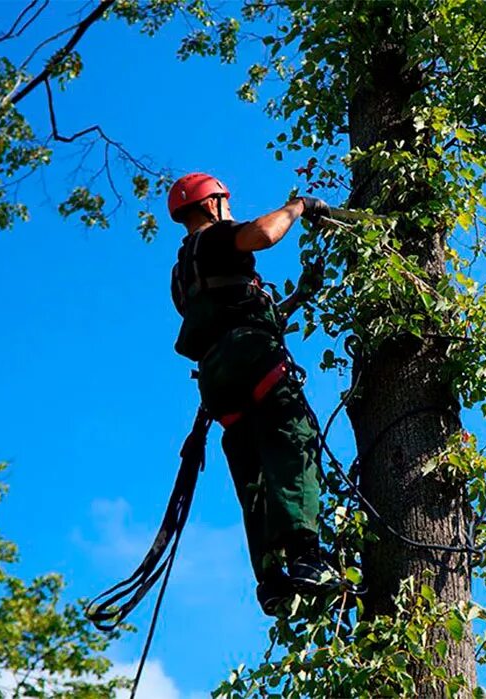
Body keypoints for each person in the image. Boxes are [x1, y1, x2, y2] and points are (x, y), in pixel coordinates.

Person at [167, 172, 335, 615]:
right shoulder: (217, 237)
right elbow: (264, 233)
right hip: (249, 358)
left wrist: (298, 297)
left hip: (218, 381)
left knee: (252, 469)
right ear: (212, 205)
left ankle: (272, 579)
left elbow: (229, 308)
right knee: (290, 437)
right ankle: (305, 556)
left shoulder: (182, 274)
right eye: (226, 203)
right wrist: (299, 206)